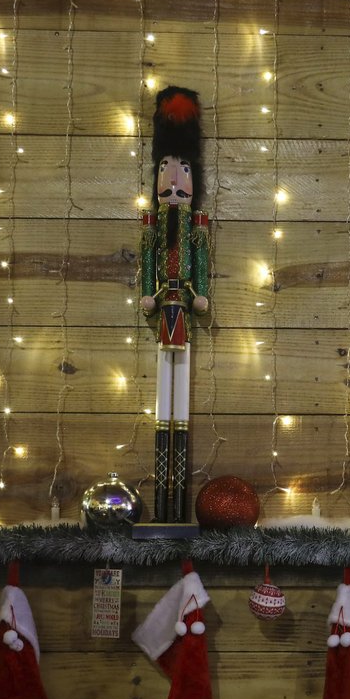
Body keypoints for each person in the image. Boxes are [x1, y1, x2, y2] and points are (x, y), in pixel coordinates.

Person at [139, 87, 210, 524]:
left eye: (183, 169)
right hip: (162, 303)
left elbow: (200, 263)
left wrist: (200, 293)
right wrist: (147, 293)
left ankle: (177, 509)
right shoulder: (153, 226)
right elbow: (147, 263)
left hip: (182, 306)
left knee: (179, 399)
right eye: (166, 168)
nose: (173, 179)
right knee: (164, 406)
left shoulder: (195, 227)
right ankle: (164, 510)